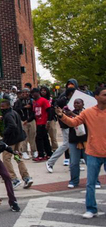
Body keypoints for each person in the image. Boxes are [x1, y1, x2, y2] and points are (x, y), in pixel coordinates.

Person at [56, 86, 106, 218]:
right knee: (90, 183)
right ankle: (91, 209)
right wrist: (61, 116)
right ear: (96, 97)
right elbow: (73, 123)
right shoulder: (88, 112)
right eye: (104, 94)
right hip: (93, 152)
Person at [46, 79, 77, 173]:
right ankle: (50, 162)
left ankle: (74, 165)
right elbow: (54, 108)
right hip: (66, 125)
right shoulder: (62, 99)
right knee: (66, 144)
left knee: (73, 144)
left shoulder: (72, 99)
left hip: (73, 124)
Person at [0, 100, 32, 188]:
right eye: (1, 107)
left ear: (8, 106)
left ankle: (14, 179)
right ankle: (26, 177)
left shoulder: (8, 115)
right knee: (18, 157)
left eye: (3, 107)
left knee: (6, 159)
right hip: (19, 139)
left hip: (10, 141)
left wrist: (4, 133)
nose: (1, 108)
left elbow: (12, 125)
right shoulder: (13, 113)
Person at [67, 98, 93, 189]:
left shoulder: (87, 113)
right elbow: (67, 124)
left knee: (89, 162)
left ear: (83, 104)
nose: (76, 104)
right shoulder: (69, 113)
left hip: (86, 140)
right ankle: (74, 181)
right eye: (75, 103)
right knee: (74, 162)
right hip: (74, 140)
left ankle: (94, 180)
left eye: (78, 103)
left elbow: (85, 121)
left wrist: (73, 115)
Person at [32, 88, 53, 162]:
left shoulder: (43, 100)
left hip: (43, 122)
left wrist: (48, 121)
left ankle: (41, 155)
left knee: (38, 139)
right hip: (38, 122)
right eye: (32, 94)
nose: (33, 95)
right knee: (45, 138)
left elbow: (49, 110)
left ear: (38, 93)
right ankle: (49, 153)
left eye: (35, 93)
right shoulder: (34, 102)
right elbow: (35, 113)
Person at [15, 88, 36, 159]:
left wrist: (29, 119)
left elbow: (35, 111)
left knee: (33, 136)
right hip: (22, 121)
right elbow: (16, 109)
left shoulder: (32, 100)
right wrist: (24, 107)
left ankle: (34, 151)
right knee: (24, 137)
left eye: (26, 92)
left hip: (31, 120)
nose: (24, 94)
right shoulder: (18, 101)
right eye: (23, 92)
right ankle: (24, 151)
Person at [40, 86, 59, 152]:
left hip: (51, 119)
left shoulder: (52, 100)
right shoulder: (39, 100)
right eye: (42, 90)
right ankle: (45, 149)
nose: (43, 91)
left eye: (44, 90)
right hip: (42, 119)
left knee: (53, 135)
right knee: (44, 136)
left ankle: (55, 149)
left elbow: (54, 109)